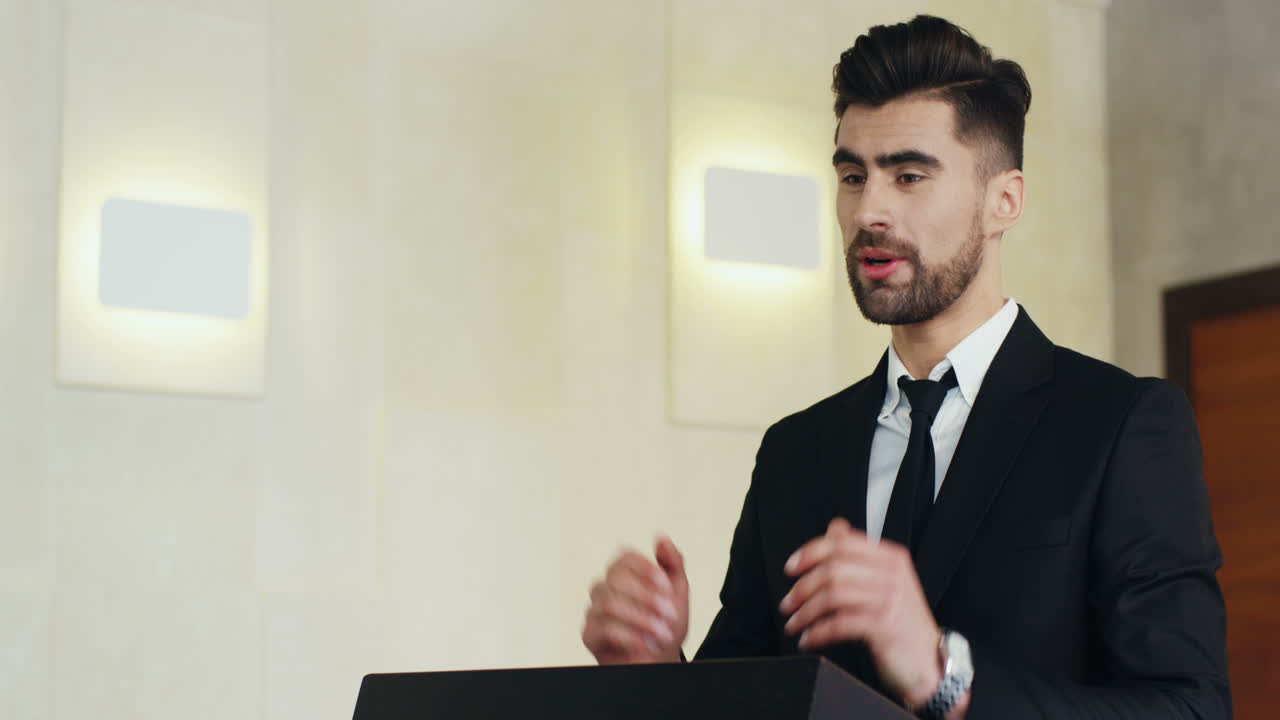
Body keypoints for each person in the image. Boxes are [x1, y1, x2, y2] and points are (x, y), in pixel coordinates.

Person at [580, 15, 1230, 720]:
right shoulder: (795, 451)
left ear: (1002, 201)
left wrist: (944, 677)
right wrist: (653, 671)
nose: (870, 211)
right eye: (853, 176)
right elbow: (752, 699)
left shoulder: (1121, 426)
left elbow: (1190, 708)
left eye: (909, 175)